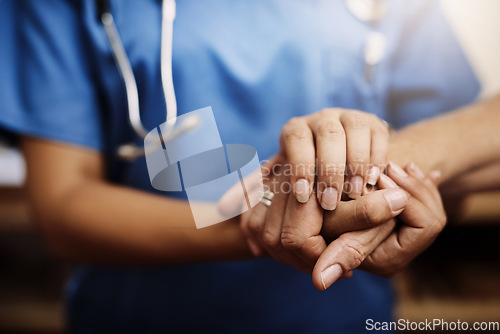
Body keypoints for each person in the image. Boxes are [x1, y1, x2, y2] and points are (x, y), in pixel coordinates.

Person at [1, 0, 498, 333]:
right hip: (139, 316)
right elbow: (63, 206)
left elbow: (452, 183)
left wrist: (390, 185)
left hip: (338, 318)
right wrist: (268, 224)